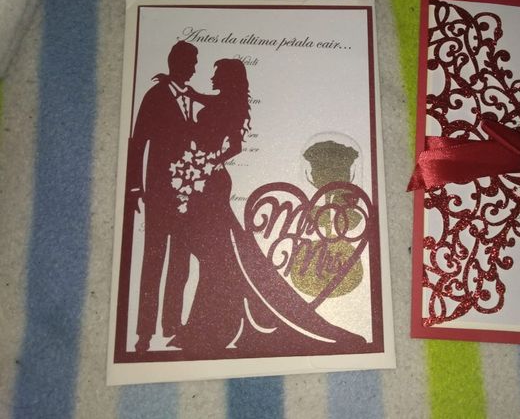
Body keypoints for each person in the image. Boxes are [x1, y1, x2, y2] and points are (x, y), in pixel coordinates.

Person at [169, 58, 366, 357]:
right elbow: (204, 101)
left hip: (211, 182)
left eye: (217, 74)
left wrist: (208, 162)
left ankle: (209, 328)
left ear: (228, 78)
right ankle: (208, 326)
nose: (211, 77)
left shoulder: (230, 105)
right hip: (200, 181)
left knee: (217, 257)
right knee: (215, 257)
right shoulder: (222, 101)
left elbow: (234, 145)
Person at [126, 40, 197, 353]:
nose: (194, 69)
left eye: (194, 64)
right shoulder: (155, 96)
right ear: (176, 63)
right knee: (153, 260)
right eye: (190, 63)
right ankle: (144, 333)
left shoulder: (191, 98)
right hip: (158, 192)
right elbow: (138, 141)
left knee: (181, 261)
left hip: (187, 195)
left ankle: (172, 326)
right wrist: (134, 187)